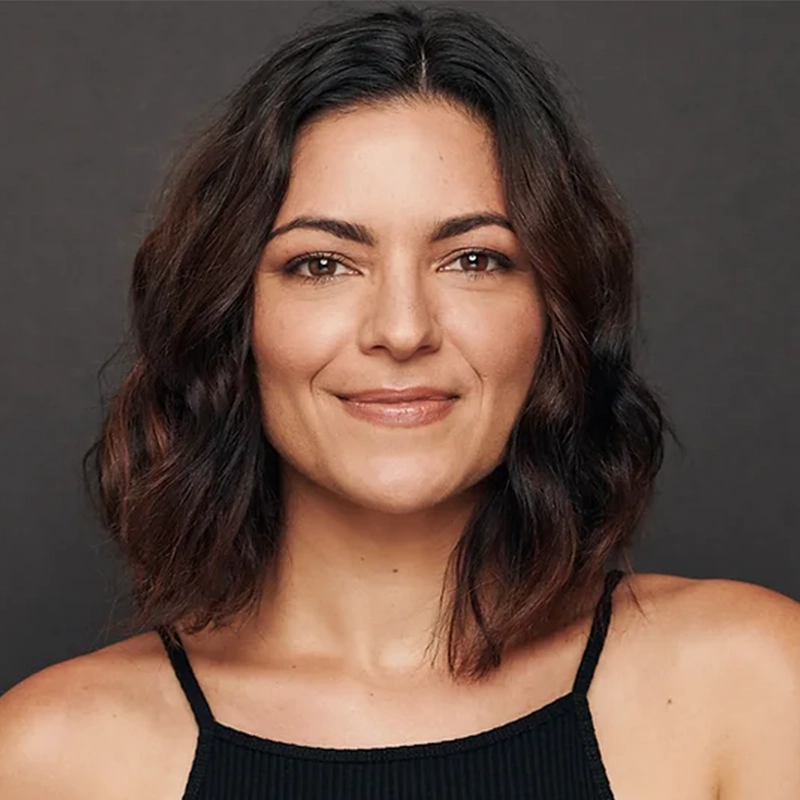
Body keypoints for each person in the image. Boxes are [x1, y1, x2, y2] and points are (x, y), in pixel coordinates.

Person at [1, 3, 799, 798]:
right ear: (233, 320)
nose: (403, 328)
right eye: (323, 265)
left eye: (475, 259)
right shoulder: (53, 757)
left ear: (554, 313)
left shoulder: (748, 685)